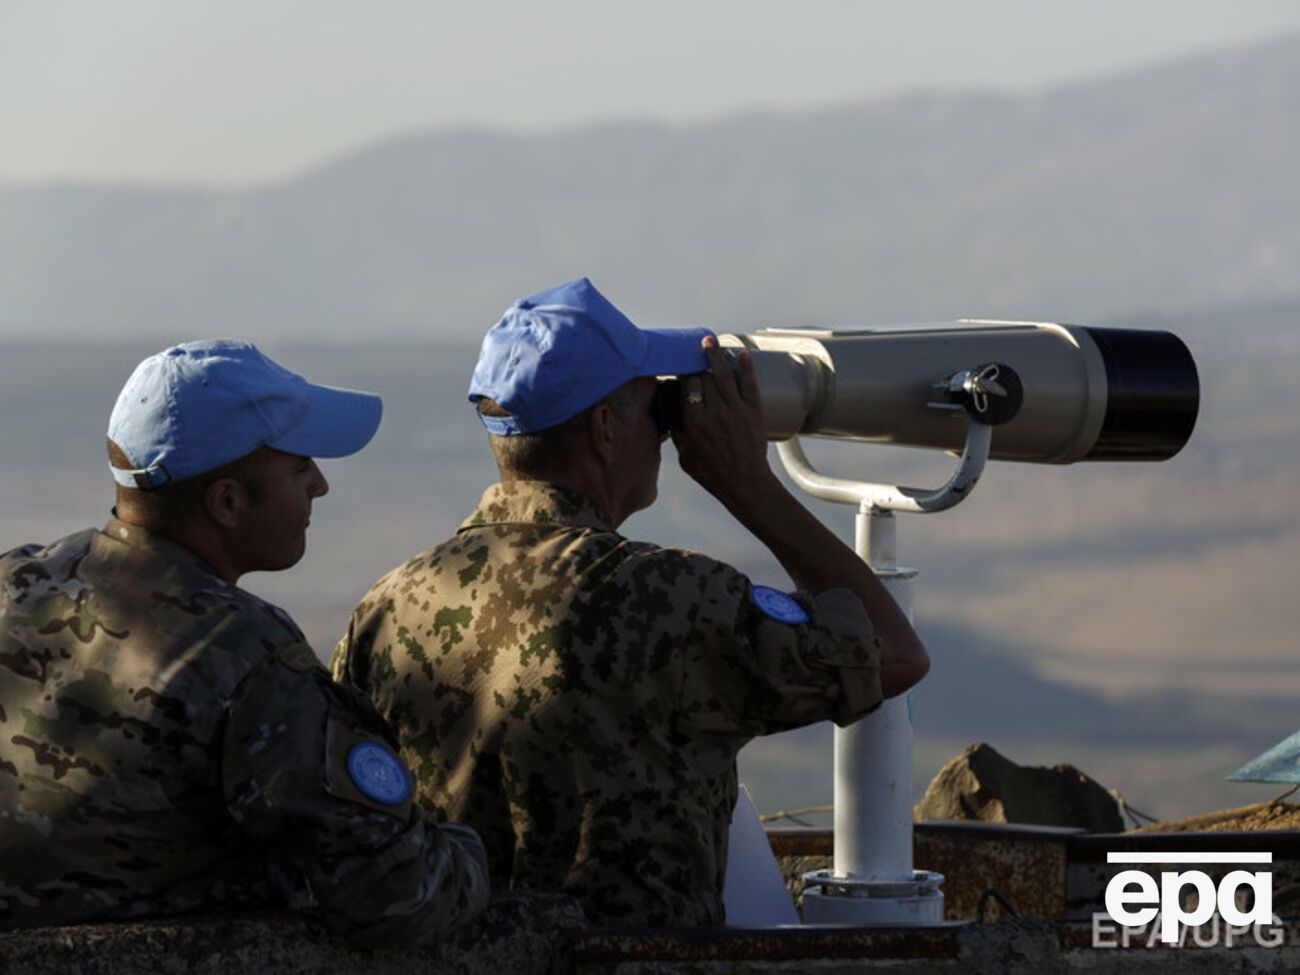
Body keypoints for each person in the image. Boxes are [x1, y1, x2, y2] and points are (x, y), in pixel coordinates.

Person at [332, 278, 929, 926]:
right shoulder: (669, 600)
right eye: (656, 407)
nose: (667, 432)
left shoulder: (386, 609)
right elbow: (894, 652)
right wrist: (748, 485)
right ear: (605, 430)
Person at [0, 340, 489, 945]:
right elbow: (400, 895)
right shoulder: (246, 654)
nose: (320, 486)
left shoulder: (15, 582)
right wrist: (468, 847)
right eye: (299, 468)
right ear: (227, 502)